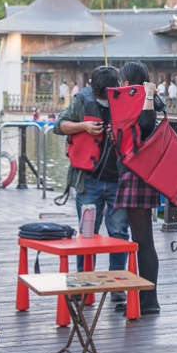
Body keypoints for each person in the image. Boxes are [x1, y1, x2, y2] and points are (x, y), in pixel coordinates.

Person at [53, 65, 130, 301]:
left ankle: (117, 288)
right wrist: (84, 127)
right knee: (87, 234)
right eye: (99, 94)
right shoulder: (82, 100)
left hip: (117, 179)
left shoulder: (124, 101)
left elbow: (140, 132)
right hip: (89, 180)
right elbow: (59, 125)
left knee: (118, 233)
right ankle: (84, 285)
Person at [113, 61, 164, 315]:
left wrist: (148, 95)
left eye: (122, 80)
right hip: (137, 175)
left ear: (127, 81)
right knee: (141, 240)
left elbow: (146, 122)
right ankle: (145, 297)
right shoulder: (134, 100)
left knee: (143, 240)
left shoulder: (145, 100)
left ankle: (149, 300)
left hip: (138, 176)